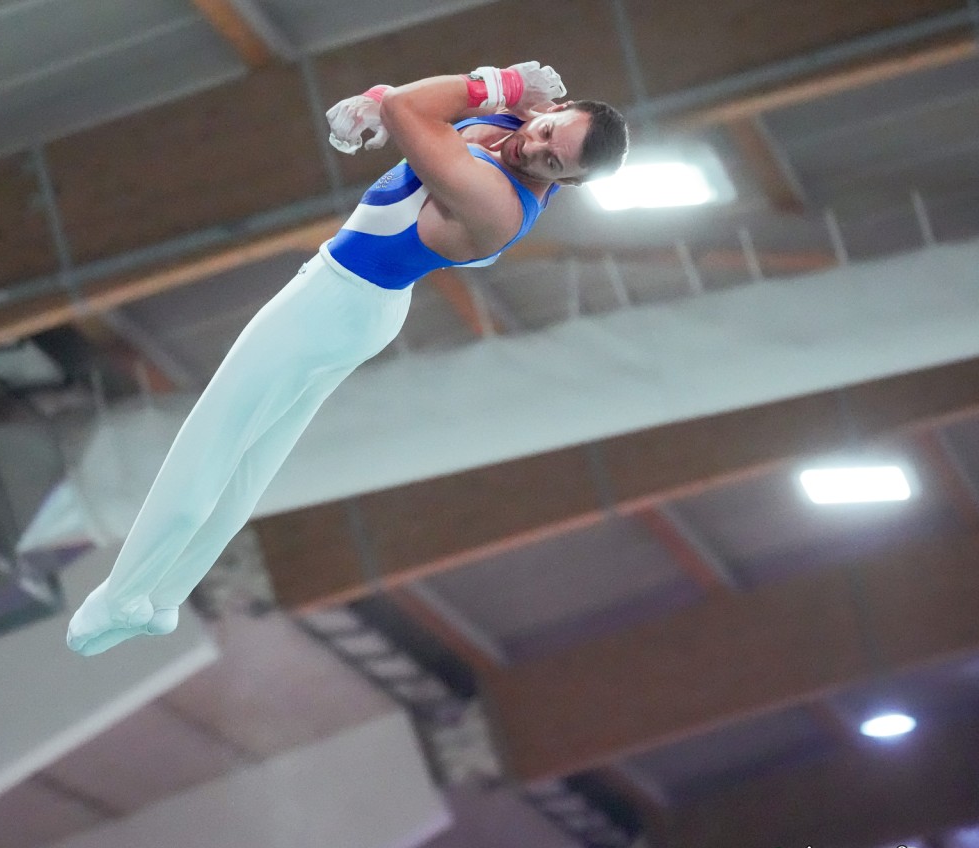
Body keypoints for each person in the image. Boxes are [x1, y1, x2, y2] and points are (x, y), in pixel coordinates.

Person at [66, 62, 629, 655]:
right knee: (253, 460)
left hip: (333, 302)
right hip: (363, 308)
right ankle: (164, 596)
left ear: (568, 183)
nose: (532, 149)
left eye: (552, 163)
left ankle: (120, 595)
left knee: (212, 439)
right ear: (552, 111)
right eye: (546, 132)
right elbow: (411, 109)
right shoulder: (519, 128)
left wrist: (500, 83)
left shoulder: (499, 205)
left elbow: (411, 110)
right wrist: (377, 100)